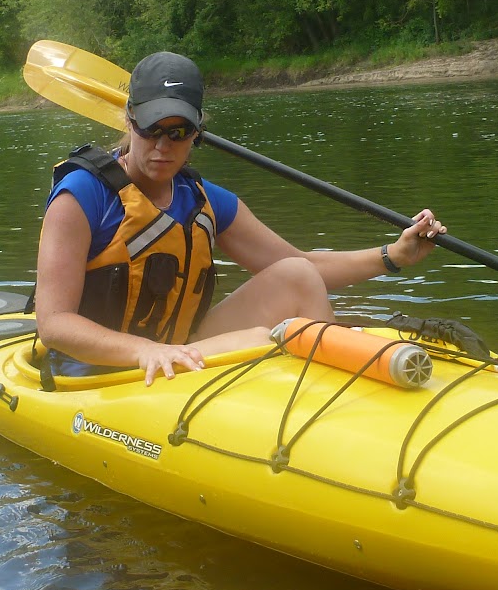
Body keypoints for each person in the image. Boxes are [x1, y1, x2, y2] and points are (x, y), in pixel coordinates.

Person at [34, 51, 445, 384]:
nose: (163, 145)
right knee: (256, 340)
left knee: (296, 275)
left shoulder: (205, 200)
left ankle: (330, 397)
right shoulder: (82, 196)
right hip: (93, 372)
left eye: (178, 132)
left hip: (177, 351)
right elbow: (54, 323)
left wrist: (394, 255)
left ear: (197, 132)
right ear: (130, 120)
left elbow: (306, 266)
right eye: (151, 128)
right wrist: (145, 350)